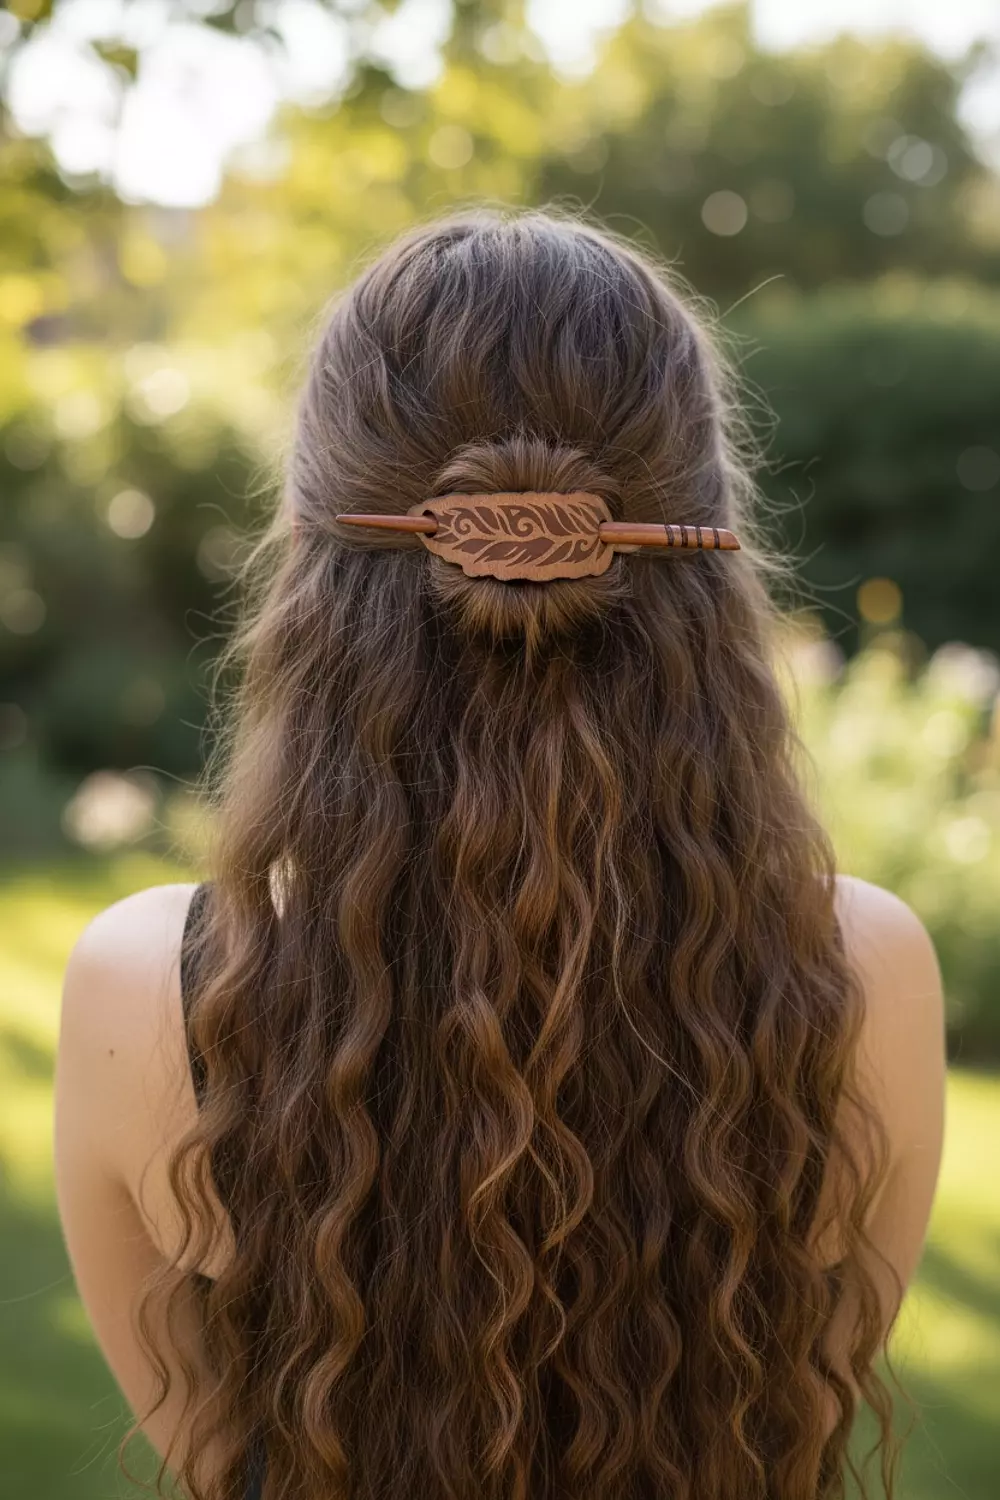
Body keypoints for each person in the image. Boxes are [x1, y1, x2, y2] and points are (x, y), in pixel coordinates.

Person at [53, 208, 946, 1500]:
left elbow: (218, 1462)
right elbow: (797, 1437)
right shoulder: (863, 973)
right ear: (713, 561)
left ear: (305, 554)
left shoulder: (148, 989)